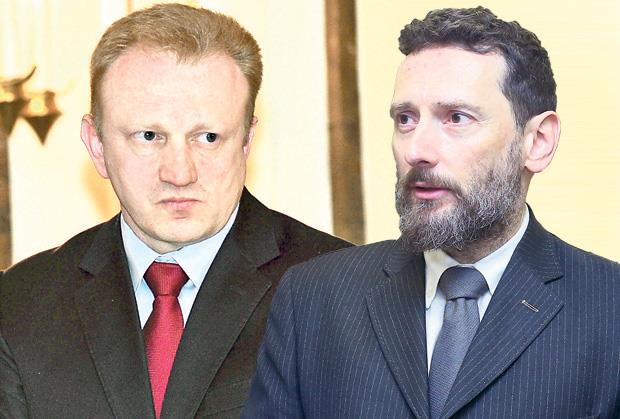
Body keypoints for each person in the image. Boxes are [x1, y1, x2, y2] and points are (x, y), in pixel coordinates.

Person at [243, 6, 620, 419]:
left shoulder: (609, 307)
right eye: (405, 119)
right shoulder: (312, 300)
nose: (416, 150)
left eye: (456, 118)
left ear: (538, 142)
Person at [0, 3, 350, 418]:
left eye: (208, 137)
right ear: (96, 145)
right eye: (149, 136)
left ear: (246, 142)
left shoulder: (344, 293)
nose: (180, 173)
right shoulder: (20, 303)